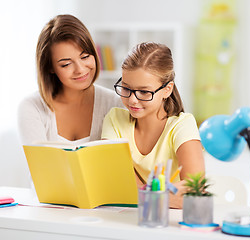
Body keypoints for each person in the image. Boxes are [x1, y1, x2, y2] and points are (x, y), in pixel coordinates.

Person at [101, 42, 205, 209]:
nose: (132, 99)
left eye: (144, 92)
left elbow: (195, 191)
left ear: (167, 89)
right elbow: (116, 183)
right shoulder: (114, 119)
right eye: (126, 88)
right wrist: (163, 196)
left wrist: (136, 193)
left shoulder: (182, 125)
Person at [18, 14, 123, 145]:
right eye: (66, 64)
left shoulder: (116, 104)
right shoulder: (32, 107)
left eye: (85, 57)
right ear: (50, 67)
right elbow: (38, 164)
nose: (80, 69)